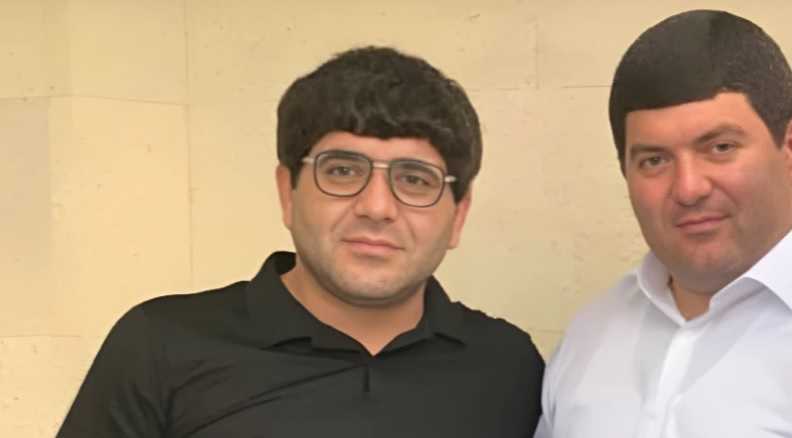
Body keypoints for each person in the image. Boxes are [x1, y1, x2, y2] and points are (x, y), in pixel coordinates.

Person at [57, 46, 544, 437]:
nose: (376, 206)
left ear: (458, 215)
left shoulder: (508, 366)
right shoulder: (160, 346)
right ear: (287, 192)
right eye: (342, 171)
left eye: (415, 180)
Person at [535, 9, 792, 438]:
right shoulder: (590, 336)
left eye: (720, 148)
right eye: (654, 160)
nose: (689, 188)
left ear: (788, 148)